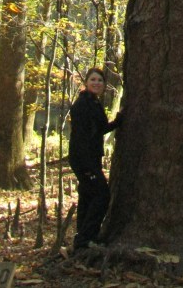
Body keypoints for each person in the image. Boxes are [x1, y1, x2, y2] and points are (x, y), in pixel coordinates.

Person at [68, 67, 122, 251]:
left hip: (91, 158)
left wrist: (118, 121)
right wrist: (87, 166)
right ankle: (85, 237)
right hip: (84, 159)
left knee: (87, 195)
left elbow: (99, 129)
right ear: (86, 82)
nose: (96, 83)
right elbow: (80, 137)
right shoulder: (82, 104)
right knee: (102, 195)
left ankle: (82, 239)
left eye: (100, 80)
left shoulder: (94, 102)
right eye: (93, 79)